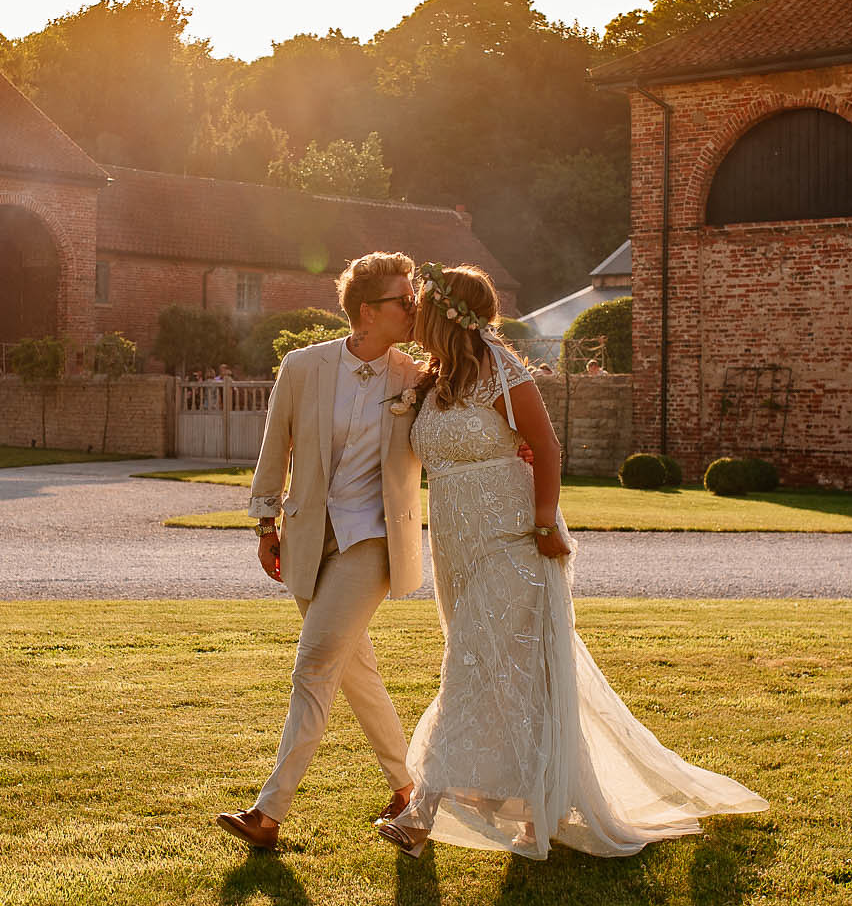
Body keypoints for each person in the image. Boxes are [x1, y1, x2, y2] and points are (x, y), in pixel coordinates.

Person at [376, 263, 767, 860]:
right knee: (511, 676)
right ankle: (537, 805)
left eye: (422, 306)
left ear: (447, 314)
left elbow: (549, 448)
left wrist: (543, 522)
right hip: (456, 544)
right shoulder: (434, 380)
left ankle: (421, 812)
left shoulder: (504, 373)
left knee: (471, 667)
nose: (414, 315)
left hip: (516, 542)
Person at [215, 253, 427, 852]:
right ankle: (409, 786)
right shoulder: (303, 367)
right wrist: (265, 522)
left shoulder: (414, 378)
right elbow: (274, 442)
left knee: (314, 666)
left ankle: (268, 811)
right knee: (355, 671)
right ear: (367, 311)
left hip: (373, 541)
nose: (413, 309)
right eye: (403, 302)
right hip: (309, 537)